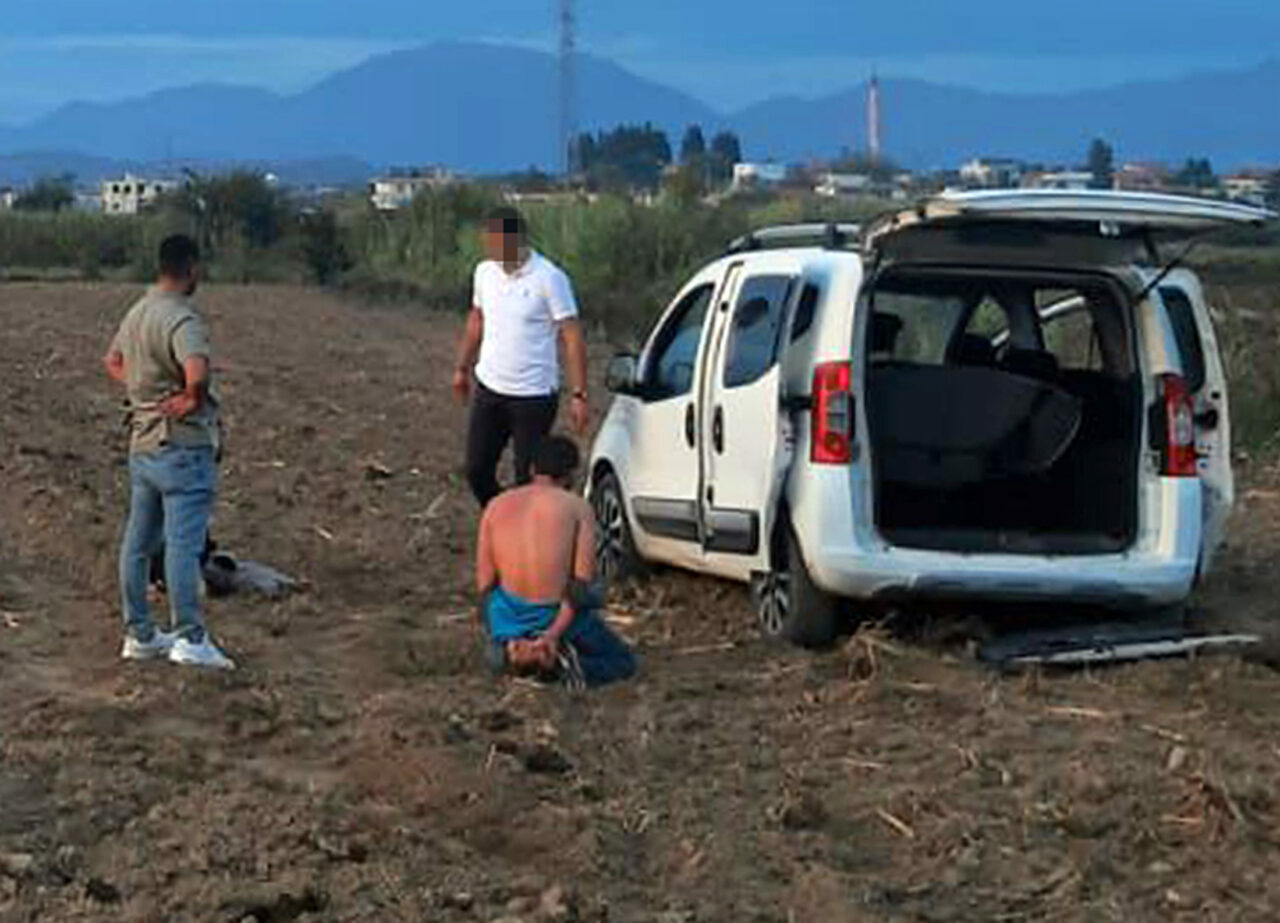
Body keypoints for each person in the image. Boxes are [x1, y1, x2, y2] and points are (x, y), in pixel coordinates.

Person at [103, 234, 235, 670]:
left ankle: (139, 633)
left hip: (142, 445)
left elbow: (113, 361)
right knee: (182, 545)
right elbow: (196, 372)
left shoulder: (139, 311)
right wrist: (189, 398)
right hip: (181, 446)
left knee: (138, 543)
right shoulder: (182, 318)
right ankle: (190, 638)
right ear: (191, 268)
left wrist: (142, 391)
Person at [453, 206, 589, 507]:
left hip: (534, 396)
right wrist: (461, 368)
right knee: (476, 469)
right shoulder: (484, 273)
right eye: (489, 244)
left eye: (499, 244)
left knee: (527, 479)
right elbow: (477, 320)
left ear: (518, 240)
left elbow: (572, 335)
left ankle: (527, 539)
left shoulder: (550, 278)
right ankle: (503, 520)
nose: (493, 252)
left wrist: (579, 394)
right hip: (490, 389)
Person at [476, 435, 635, 689]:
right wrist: (551, 635)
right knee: (623, 662)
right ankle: (559, 664)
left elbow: (485, 587)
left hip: (509, 620)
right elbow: (579, 588)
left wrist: (505, 632)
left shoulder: (495, 507)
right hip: (553, 616)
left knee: (496, 645)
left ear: (532, 469)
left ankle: (512, 653)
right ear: (570, 475)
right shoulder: (578, 508)